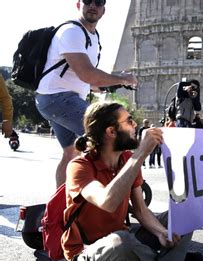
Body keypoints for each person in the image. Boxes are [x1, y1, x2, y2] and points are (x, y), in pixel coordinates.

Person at [62, 101, 194, 261]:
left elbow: (140, 209)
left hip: (124, 236)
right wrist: (140, 153)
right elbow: (107, 202)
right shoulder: (79, 166)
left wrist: (161, 232)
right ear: (111, 131)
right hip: (87, 251)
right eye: (129, 121)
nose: (135, 125)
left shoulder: (126, 160)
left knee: (187, 212)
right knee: (122, 243)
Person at [34, 0, 138, 188]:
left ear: (104, 10)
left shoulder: (93, 37)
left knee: (70, 153)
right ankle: (112, 193)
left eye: (98, 2)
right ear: (78, 4)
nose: (93, 5)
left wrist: (106, 85)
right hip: (58, 98)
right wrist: (121, 78)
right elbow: (88, 74)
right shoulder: (72, 32)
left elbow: (87, 81)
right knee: (108, 135)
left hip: (58, 99)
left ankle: (62, 205)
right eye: (88, 1)